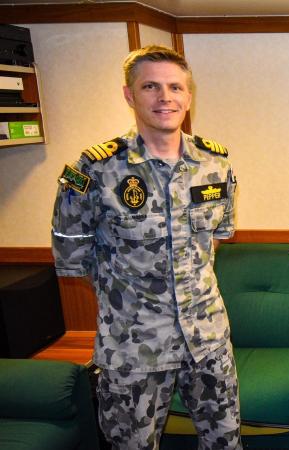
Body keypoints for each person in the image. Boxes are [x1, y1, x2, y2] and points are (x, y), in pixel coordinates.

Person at [51, 45, 241, 450]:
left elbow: (213, 243)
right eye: (151, 86)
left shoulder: (215, 164)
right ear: (129, 95)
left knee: (225, 443)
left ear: (189, 96)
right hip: (133, 348)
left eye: (175, 87)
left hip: (207, 340)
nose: (165, 97)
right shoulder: (94, 169)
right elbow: (73, 258)